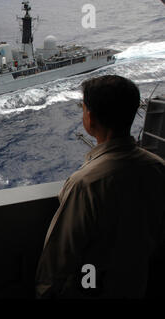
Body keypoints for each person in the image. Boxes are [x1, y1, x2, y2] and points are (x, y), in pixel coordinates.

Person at [35, 75, 165, 298]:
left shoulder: (85, 184)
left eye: (83, 108)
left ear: (90, 118)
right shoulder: (159, 168)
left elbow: (59, 258)